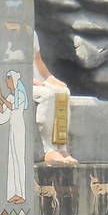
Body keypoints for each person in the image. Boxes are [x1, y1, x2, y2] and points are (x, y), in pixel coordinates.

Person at [33, 36, 76, 165]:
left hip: (37, 82)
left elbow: (38, 61)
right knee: (48, 95)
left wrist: (49, 78)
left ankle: (61, 148)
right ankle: (49, 150)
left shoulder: (31, 32)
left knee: (63, 92)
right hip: (17, 82)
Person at [0, 69, 30, 203]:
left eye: (8, 79)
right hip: (13, 128)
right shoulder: (11, 96)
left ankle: (22, 195)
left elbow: (13, 107)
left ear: (13, 80)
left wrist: (1, 96)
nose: (7, 82)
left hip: (19, 128)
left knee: (19, 160)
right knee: (12, 161)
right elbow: (2, 110)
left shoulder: (20, 95)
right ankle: (14, 193)